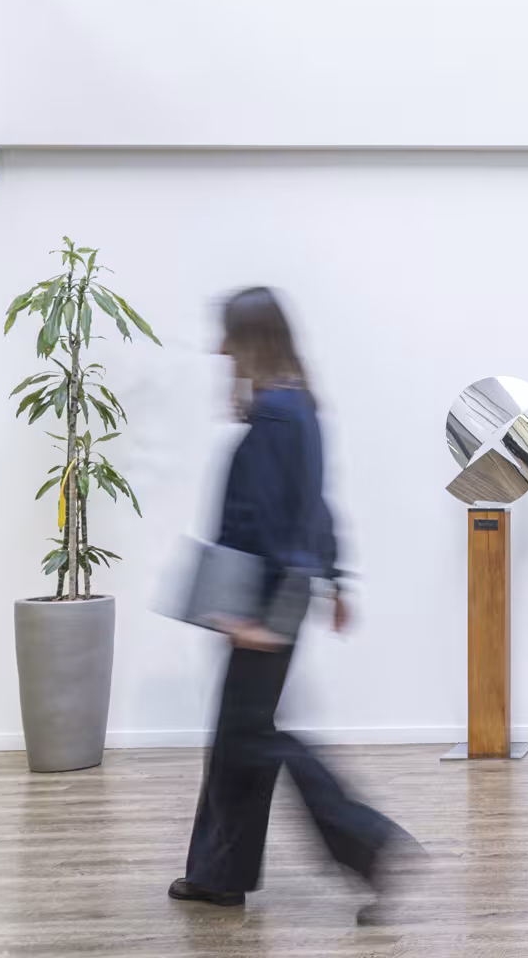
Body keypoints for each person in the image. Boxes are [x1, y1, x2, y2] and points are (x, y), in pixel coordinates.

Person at [170, 287, 416, 921]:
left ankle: (366, 839)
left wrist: (246, 612)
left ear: (251, 338)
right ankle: (217, 874)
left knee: (254, 737)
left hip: (264, 593)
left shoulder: (278, 412)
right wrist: (334, 579)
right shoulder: (299, 404)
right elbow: (318, 503)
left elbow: (272, 516)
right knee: (237, 739)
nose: (217, 348)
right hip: (282, 587)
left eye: (227, 336)